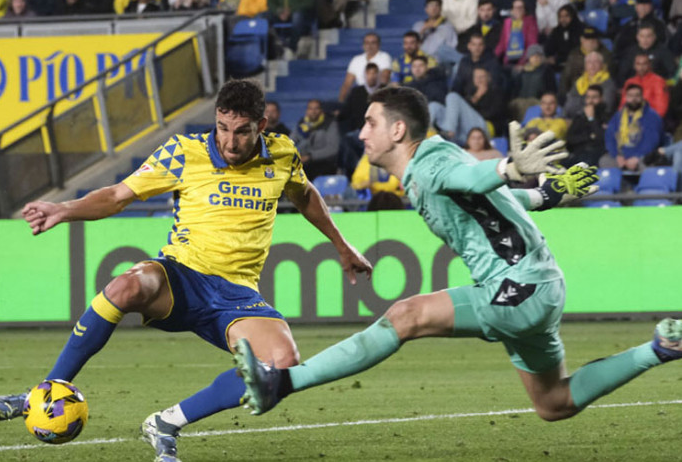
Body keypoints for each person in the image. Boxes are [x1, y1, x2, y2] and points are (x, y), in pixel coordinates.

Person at [234, 87, 682, 435]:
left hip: (516, 289)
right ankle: (661, 348)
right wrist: (545, 193)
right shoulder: (436, 155)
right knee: (553, 403)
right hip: (536, 287)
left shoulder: (427, 166)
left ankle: (283, 383)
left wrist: (506, 168)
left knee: (404, 316)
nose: (362, 132)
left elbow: (471, 176)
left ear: (397, 131)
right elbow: (485, 194)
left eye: (371, 122)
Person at [0, 80, 373, 462]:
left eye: (242, 132)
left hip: (237, 294)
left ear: (262, 127)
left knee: (282, 362)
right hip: (180, 278)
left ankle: (166, 423)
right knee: (125, 286)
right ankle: (43, 392)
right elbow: (120, 195)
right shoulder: (184, 152)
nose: (230, 142)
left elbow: (304, 195)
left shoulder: (283, 155)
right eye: (222, 128)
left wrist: (342, 244)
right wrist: (64, 209)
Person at [431, 66, 505, 144]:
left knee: (452, 96)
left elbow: (495, 113)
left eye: (482, 77)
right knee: (434, 106)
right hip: (463, 131)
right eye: (476, 77)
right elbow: (462, 111)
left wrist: (478, 97)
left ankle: (449, 131)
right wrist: (476, 97)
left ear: (489, 78)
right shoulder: (471, 91)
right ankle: (427, 134)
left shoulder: (496, 92)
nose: (479, 80)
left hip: (484, 129)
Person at [602, 84, 662, 172]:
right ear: (625, 97)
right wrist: (617, 156)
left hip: (643, 155)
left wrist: (637, 157)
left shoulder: (652, 116)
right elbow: (609, 137)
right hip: (621, 156)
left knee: (646, 164)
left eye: (637, 96)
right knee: (604, 161)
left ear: (642, 97)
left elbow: (651, 142)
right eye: (630, 96)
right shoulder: (618, 116)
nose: (633, 99)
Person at [292, 99, 341, 179]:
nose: (313, 111)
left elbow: (333, 149)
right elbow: (291, 140)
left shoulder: (330, 124)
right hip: (304, 163)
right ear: (307, 111)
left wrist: (310, 156)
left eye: (316, 108)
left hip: (324, 164)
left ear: (321, 110)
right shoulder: (302, 124)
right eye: (310, 108)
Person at [338, 32, 392, 103]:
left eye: (373, 43)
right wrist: (340, 103)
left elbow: (384, 80)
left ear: (379, 44)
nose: (370, 46)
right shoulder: (356, 59)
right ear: (363, 45)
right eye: (367, 43)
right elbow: (347, 84)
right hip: (361, 95)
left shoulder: (384, 57)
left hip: (378, 94)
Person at [560, 27, 613, 97]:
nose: (591, 42)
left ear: (598, 40)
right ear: (582, 40)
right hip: (576, 90)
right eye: (587, 39)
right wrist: (563, 96)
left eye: (593, 39)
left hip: (597, 90)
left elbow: (608, 76)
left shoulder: (605, 55)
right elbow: (566, 77)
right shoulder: (574, 55)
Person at [563, 51, 616, 119]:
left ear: (602, 65)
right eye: (589, 62)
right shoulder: (579, 82)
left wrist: (583, 109)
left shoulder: (608, 83)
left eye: (596, 62)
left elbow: (606, 107)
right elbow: (569, 106)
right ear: (585, 66)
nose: (592, 65)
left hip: (598, 119)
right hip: (577, 118)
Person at [565, 84, 608, 166]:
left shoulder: (606, 116)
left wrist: (591, 119)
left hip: (595, 155)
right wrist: (589, 137)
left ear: (601, 99)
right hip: (577, 153)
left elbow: (601, 139)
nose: (590, 101)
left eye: (594, 97)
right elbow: (570, 139)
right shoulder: (579, 117)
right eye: (588, 97)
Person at [412, 0, 458, 64]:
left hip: (439, 62)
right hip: (421, 61)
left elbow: (451, 49)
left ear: (441, 9)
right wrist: (424, 29)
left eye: (437, 6)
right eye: (431, 5)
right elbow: (410, 44)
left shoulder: (448, 27)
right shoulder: (418, 26)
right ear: (426, 9)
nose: (434, 8)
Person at [618, 53, 668, 117]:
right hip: (629, 119)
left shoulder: (658, 81)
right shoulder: (629, 82)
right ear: (634, 66)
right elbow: (623, 104)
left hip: (650, 119)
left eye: (644, 64)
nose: (641, 67)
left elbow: (661, 107)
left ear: (649, 65)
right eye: (638, 64)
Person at [494, 0, 538, 68]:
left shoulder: (530, 22)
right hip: (508, 59)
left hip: (524, 59)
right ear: (512, 10)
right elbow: (502, 43)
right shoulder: (507, 22)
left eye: (520, 7)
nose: (518, 10)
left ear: (525, 10)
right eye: (515, 8)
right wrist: (493, 57)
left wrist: (522, 63)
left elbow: (532, 44)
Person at [543, 3, 583, 71]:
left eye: (566, 16)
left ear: (572, 16)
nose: (563, 19)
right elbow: (548, 48)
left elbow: (575, 50)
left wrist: (558, 59)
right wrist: (549, 58)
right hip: (558, 63)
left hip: (576, 64)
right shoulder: (557, 31)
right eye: (561, 17)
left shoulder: (580, 29)